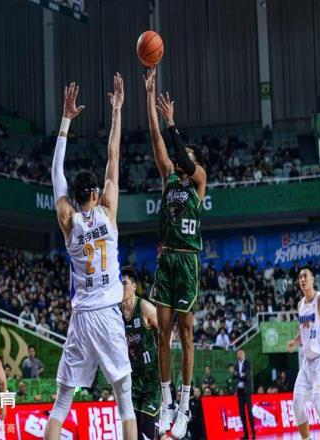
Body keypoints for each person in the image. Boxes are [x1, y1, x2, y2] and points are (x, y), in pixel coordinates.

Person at [44, 76, 137, 440]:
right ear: (96, 194)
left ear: (76, 195)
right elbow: (114, 156)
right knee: (125, 402)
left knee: (61, 403)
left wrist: (66, 121)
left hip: (82, 317)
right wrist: (117, 110)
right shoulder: (108, 211)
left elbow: (56, 172)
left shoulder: (68, 220)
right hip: (108, 314)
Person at [144, 67, 207, 439]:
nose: (182, 159)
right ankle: (167, 401)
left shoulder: (199, 179)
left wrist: (173, 123)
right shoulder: (168, 177)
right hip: (166, 258)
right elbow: (157, 140)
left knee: (186, 332)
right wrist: (149, 98)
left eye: (188, 156)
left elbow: (183, 156)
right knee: (163, 332)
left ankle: (185, 406)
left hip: (187, 260)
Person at [287, 267, 320, 439]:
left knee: (318, 403)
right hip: (306, 363)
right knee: (296, 404)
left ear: (313, 279)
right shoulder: (300, 304)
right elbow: (303, 333)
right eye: (300, 277)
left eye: (305, 276)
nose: (302, 280)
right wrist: (295, 341)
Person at [121, 265, 160, 440]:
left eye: (124, 283)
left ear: (134, 286)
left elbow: (167, 333)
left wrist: (162, 357)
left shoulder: (144, 307)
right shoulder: (117, 313)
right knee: (133, 430)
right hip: (132, 379)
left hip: (151, 377)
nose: (121, 287)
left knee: (148, 427)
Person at [234, 350, 255, 440]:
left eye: (241, 353)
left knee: (249, 412)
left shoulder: (247, 363)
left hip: (247, 391)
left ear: (244, 354)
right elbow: (234, 376)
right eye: (238, 354)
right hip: (239, 391)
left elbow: (247, 376)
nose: (240, 355)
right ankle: (246, 434)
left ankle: (253, 433)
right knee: (242, 413)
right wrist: (240, 375)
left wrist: (240, 375)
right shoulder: (236, 364)